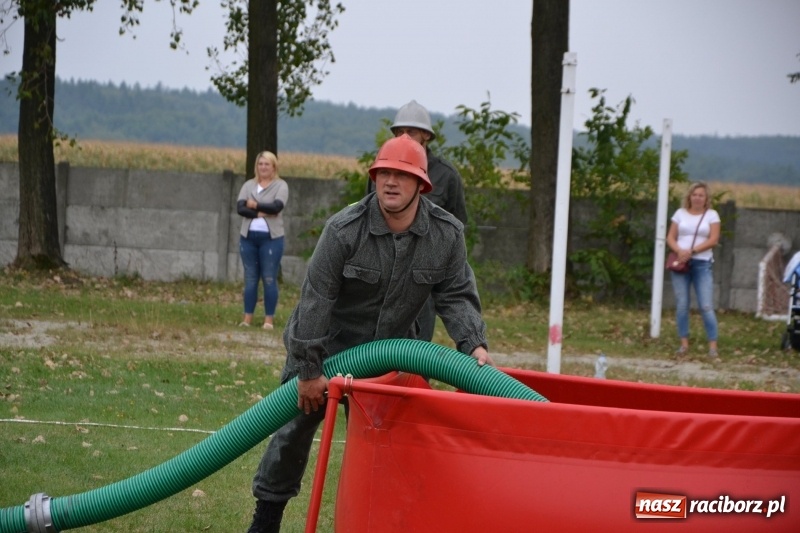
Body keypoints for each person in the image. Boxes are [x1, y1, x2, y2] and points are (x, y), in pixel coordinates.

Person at [247, 134, 492, 533]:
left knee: (396, 443)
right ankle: (265, 521)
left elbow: (456, 296)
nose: (390, 182)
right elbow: (315, 300)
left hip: (393, 356)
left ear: (421, 184)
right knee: (292, 434)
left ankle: (389, 521)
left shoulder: (445, 235)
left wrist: (474, 344)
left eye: (402, 175)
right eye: (383, 173)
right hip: (324, 349)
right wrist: (308, 370)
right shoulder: (344, 230)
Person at [366, 99, 469, 342]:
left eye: (411, 131)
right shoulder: (381, 169)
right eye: (399, 131)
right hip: (382, 274)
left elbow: (457, 226)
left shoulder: (447, 175)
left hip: (423, 277)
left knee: (417, 352)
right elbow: (367, 216)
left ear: (426, 136)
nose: (405, 137)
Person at [666, 182, 721, 357]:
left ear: (706, 198)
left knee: (706, 305)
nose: (697, 198)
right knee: (682, 304)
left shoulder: (712, 215)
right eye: (694, 194)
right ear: (689, 196)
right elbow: (670, 237)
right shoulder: (680, 213)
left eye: (701, 195)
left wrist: (692, 251)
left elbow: (713, 240)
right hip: (681, 263)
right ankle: (684, 343)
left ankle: (713, 346)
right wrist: (679, 251)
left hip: (702, 263)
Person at [236, 151, 289, 330]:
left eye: (267, 164)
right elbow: (240, 208)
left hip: (271, 239)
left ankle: (268, 320)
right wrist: (260, 212)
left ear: (274, 167)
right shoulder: (248, 185)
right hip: (248, 238)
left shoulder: (281, 186)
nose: (263, 167)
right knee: (251, 278)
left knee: (269, 278)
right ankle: (247, 318)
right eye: (260, 164)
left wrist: (254, 204)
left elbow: (276, 207)